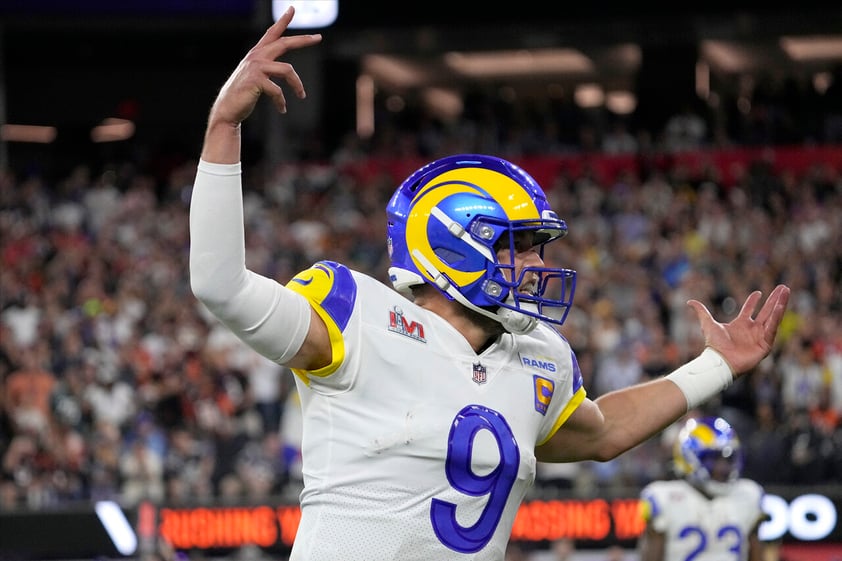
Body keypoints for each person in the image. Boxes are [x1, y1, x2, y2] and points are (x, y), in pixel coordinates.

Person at [188, 8, 791, 561]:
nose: (534, 263)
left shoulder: (538, 359)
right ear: (452, 244)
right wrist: (223, 126)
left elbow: (605, 431)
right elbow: (221, 286)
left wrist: (718, 365)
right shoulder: (356, 318)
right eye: (517, 245)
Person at [638, 416, 767, 561]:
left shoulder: (748, 494)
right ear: (688, 458)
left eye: (727, 459)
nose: (722, 468)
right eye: (712, 459)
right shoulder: (664, 498)